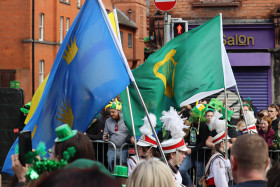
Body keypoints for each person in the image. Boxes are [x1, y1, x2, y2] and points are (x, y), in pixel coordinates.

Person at [161, 107, 191, 186]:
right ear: (172, 154)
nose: (184, 156)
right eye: (182, 153)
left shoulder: (173, 170)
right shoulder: (164, 173)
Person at [180, 104, 209, 187]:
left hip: (199, 156)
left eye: (194, 113)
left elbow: (202, 142)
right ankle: (190, 185)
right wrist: (186, 142)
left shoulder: (203, 126)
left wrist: (192, 150)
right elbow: (189, 136)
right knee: (182, 170)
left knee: (199, 177)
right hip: (190, 154)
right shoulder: (193, 124)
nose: (191, 114)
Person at [103, 99, 132, 171]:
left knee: (123, 170)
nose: (111, 114)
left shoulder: (127, 120)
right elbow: (105, 133)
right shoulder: (108, 121)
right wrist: (104, 138)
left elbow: (131, 133)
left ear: (119, 112)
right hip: (111, 150)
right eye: (110, 112)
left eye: (113, 112)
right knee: (112, 170)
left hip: (124, 150)